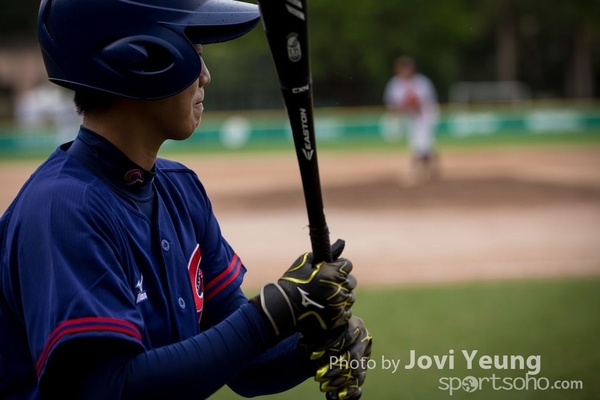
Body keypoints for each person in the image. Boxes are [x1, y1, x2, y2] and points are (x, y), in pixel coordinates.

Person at [0, 0, 372, 399]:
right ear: (142, 57)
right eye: (193, 50)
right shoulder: (63, 210)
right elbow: (109, 387)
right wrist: (270, 314)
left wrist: (311, 345)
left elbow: (246, 367)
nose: (206, 76)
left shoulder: (179, 188)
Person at [383, 56, 441, 185]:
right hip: (411, 116)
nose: (404, 71)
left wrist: (405, 106)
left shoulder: (421, 82)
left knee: (419, 142)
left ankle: (417, 170)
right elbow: (392, 104)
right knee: (422, 143)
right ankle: (432, 168)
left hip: (426, 114)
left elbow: (420, 103)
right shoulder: (395, 83)